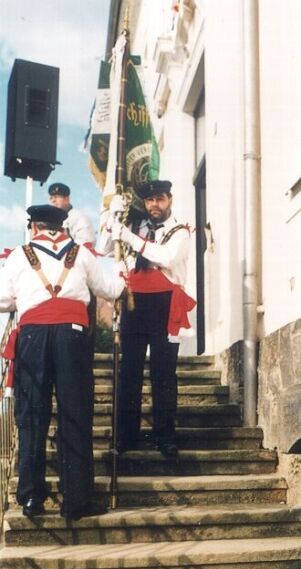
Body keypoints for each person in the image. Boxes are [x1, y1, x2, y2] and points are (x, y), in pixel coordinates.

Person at [0, 205, 124, 520]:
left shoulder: (18, 256)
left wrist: (25, 298)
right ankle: (77, 501)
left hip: (33, 338)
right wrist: (123, 273)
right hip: (73, 336)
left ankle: (31, 498)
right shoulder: (81, 254)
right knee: (75, 414)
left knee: (32, 416)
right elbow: (110, 290)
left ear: (33, 227)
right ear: (61, 227)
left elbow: (2, 299)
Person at [103, 179, 192, 457]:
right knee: (129, 372)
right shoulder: (133, 225)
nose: (155, 205)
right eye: (150, 200)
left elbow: (165, 257)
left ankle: (165, 437)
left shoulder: (180, 231)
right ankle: (126, 437)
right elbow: (105, 246)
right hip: (134, 303)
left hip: (165, 305)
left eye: (160, 199)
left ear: (170, 200)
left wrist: (128, 237)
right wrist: (111, 217)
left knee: (163, 374)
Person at [48, 182, 96, 247]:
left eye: (56, 197)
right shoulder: (50, 222)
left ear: (67, 199)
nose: (53, 200)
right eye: (51, 198)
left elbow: (86, 245)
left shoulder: (78, 217)